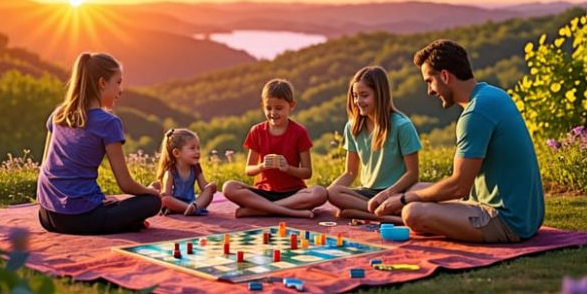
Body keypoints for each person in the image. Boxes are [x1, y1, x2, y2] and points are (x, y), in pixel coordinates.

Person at [389, 39, 544, 242]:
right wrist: (407, 195)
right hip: (528, 216)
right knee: (414, 190)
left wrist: (403, 200)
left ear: (445, 76)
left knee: (412, 212)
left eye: (429, 81)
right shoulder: (493, 94)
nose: (430, 91)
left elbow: (459, 187)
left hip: (509, 221)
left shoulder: (475, 114)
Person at [36, 52, 161, 235]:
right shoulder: (109, 123)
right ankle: (125, 221)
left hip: (46, 214)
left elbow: (45, 164)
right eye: (118, 82)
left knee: (109, 203)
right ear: (102, 83)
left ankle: (119, 219)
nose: (121, 89)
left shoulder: (59, 114)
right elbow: (125, 184)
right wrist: (151, 192)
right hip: (81, 219)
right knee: (152, 203)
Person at [327, 66, 421, 223]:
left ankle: (367, 211)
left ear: (380, 94)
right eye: (355, 96)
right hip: (368, 193)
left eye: (364, 95)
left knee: (345, 211)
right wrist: (329, 193)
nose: (358, 102)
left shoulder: (402, 126)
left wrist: (386, 194)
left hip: (395, 192)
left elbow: (412, 174)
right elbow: (350, 173)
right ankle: (387, 215)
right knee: (334, 192)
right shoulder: (352, 127)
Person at [222, 78, 327, 218]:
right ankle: (287, 211)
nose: (273, 113)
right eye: (268, 108)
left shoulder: (299, 132)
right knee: (229, 187)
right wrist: (262, 166)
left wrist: (288, 168)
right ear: (262, 106)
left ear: (291, 106)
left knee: (320, 193)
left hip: (293, 193)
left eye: (279, 108)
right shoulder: (256, 131)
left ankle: (260, 210)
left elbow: (307, 172)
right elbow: (249, 170)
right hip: (263, 193)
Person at [155, 128, 217, 215]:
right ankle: (190, 209)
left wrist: (211, 187)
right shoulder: (170, 171)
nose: (197, 152)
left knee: (209, 190)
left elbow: (204, 187)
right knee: (165, 199)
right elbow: (166, 194)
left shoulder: (196, 167)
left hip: (193, 202)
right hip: (176, 203)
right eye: (192, 148)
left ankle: (194, 207)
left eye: (198, 148)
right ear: (176, 153)